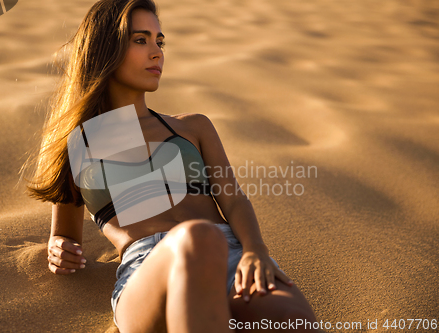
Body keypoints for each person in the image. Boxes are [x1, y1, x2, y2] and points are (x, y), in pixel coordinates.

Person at [21, 0, 318, 332]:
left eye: (159, 41)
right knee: (196, 238)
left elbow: (234, 200)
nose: (156, 52)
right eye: (140, 40)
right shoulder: (77, 143)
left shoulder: (193, 127)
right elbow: (63, 234)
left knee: (297, 323)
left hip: (232, 255)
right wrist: (58, 248)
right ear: (106, 48)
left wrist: (256, 251)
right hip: (148, 270)